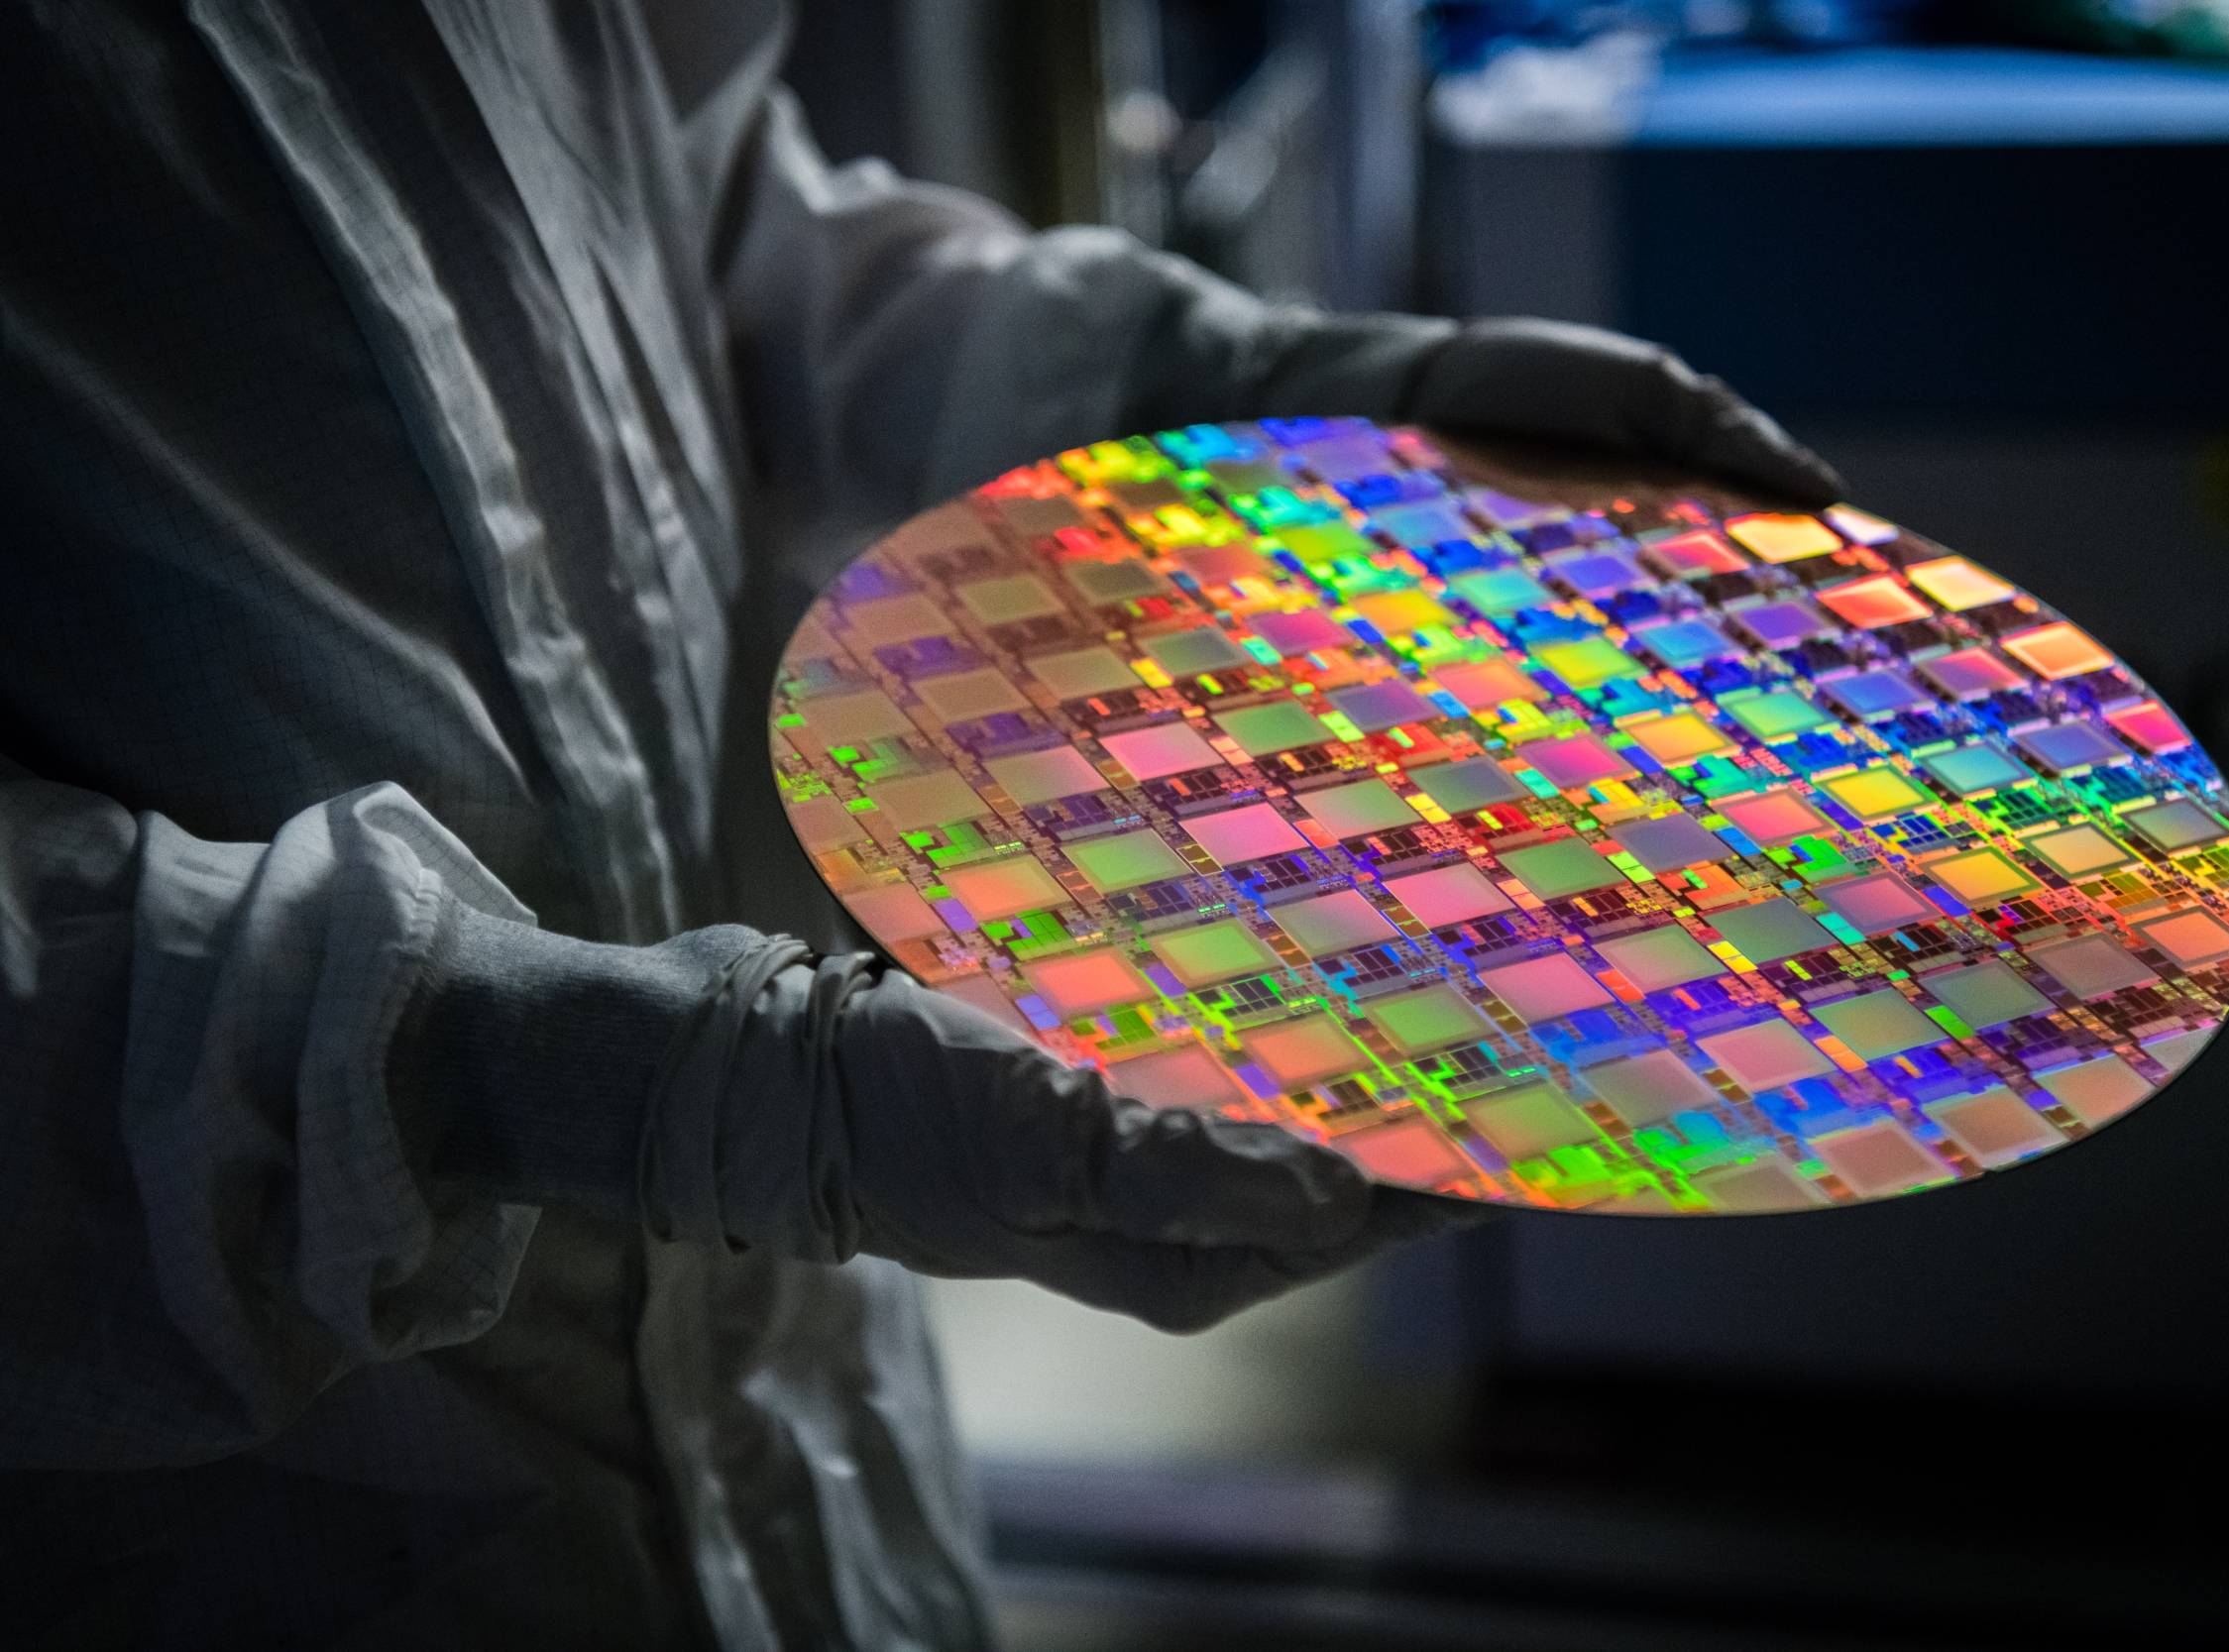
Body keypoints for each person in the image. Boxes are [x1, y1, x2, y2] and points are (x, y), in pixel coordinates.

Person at [0, 1, 1840, 1645]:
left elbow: (691, 238)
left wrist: (1215, 399)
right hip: (240, 1513)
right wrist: (558, 1081)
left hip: (798, 1416)